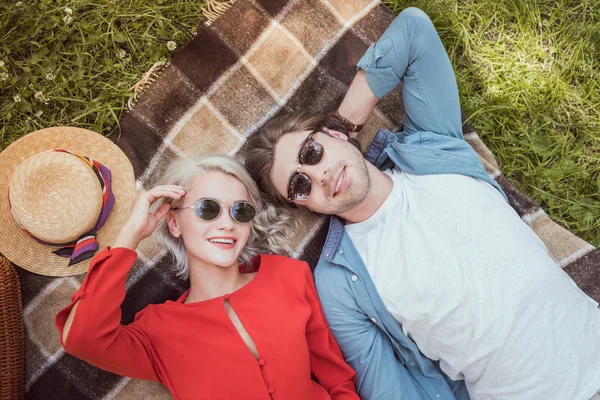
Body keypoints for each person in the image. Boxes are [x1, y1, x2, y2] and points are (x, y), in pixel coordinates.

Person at [244, 7, 600, 400]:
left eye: (312, 152)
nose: (320, 175)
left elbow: (414, 31)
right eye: (299, 184)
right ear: (303, 205)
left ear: (333, 136)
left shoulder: (433, 146)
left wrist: (344, 122)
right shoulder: (338, 284)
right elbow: (388, 389)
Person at [55, 154, 360, 400]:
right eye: (207, 209)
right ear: (174, 222)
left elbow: (335, 377)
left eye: (240, 211)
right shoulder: (157, 331)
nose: (227, 224)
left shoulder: (288, 275)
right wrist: (130, 236)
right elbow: (81, 337)